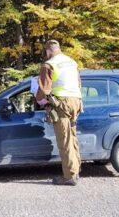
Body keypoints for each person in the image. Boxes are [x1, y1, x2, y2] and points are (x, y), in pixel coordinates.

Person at [36, 40, 83, 186]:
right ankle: (76, 170)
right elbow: (79, 83)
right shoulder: (72, 62)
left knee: (64, 140)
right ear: (58, 49)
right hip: (76, 102)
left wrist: (38, 100)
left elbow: (44, 89)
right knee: (73, 138)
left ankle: (69, 176)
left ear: (48, 51)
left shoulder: (49, 64)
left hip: (62, 104)